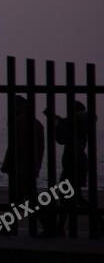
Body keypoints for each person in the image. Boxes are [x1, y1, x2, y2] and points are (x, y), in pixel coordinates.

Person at [45, 101, 102, 237]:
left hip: (73, 164)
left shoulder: (76, 123)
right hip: (79, 164)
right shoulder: (82, 123)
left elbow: (61, 139)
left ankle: (60, 228)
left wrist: (55, 123)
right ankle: (60, 227)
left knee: (68, 197)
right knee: (72, 198)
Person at [0, 96, 46, 235]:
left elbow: (14, 146)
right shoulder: (37, 124)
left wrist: (7, 164)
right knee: (21, 198)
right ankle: (6, 227)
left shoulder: (18, 122)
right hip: (30, 166)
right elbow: (41, 148)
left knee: (26, 199)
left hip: (20, 166)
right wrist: (37, 166)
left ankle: (48, 226)